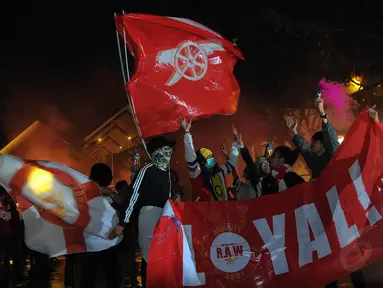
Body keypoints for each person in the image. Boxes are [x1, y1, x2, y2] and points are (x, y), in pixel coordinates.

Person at [108, 136, 176, 288]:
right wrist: (122, 223)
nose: (169, 152)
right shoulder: (147, 170)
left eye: (170, 149)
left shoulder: (167, 173)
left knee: (162, 257)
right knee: (150, 258)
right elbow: (133, 196)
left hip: (164, 218)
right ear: (157, 151)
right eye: (165, 149)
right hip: (149, 216)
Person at [178, 118, 240, 201]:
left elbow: (233, 161)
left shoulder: (220, 171)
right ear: (202, 161)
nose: (212, 159)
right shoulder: (197, 174)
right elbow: (190, 157)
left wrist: (236, 140)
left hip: (223, 211)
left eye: (212, 156)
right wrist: (187, 133)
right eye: (209, 157)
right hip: (204, 212)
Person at [285, 98, 339, 181]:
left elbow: (330, 136)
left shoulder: (331, 154)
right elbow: (303, 147)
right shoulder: (313, 159)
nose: (311, 144)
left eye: (314, 142)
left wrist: (321, 111)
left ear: (322, 143)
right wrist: (294, 130)